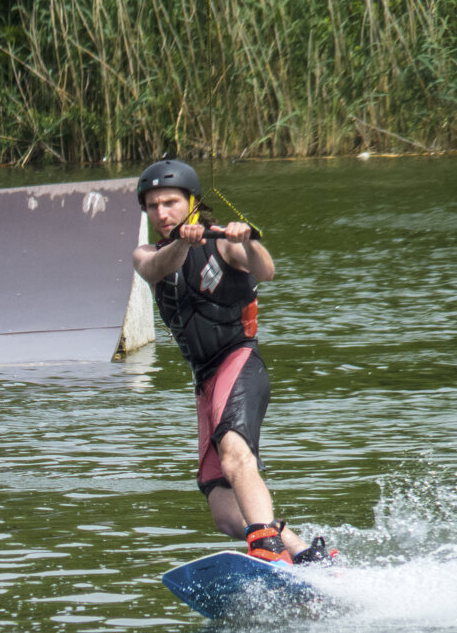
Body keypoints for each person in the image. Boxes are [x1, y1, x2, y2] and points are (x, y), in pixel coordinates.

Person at [132, 159, 333, 565]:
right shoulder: (146, 254)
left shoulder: (224, 243)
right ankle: (307, 556)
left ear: (192, 202)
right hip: (205, 380)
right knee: (223, 507)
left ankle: (268, 548)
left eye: (171, 202)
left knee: (235, 455)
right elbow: (160, 267)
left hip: (239, 362)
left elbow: (267, 271)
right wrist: (184, 243)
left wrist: (249, 241)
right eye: (153, 206)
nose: (162, 213)